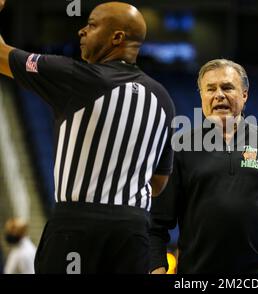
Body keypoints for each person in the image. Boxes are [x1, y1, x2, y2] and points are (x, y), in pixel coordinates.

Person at [0, 1, 175, 273]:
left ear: (117, 37)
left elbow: (1, 56)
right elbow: (158, 181)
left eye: (92, 25)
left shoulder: (75, 76)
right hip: (134, 231)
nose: (81, 31)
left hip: (78, 226)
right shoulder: (163, 98)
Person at [149, 59, 258, 274]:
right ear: (202, 96)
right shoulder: (180, 147)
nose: (218, 95)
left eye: (227, 87)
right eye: (210, 89)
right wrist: (158, 269)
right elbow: (156, 223)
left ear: (244, 95)